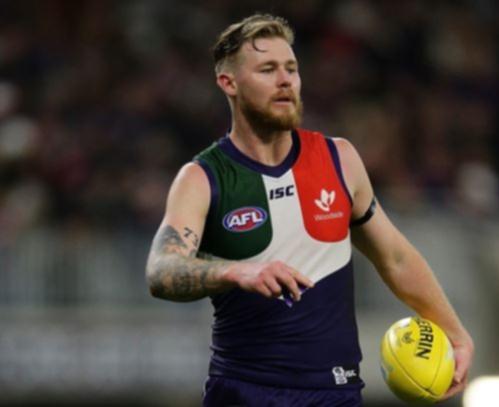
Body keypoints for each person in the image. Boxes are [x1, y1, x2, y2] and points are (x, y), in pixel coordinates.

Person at [145, 13, 474, 407]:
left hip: (336, 394)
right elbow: (161, 270)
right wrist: (235, 271)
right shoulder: (202, 178)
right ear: (228, 83)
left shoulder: (340, 159)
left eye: (292, 69)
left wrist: (454, 331)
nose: (286, 80)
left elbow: (396, 257)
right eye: (268, 69)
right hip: (246, 392)